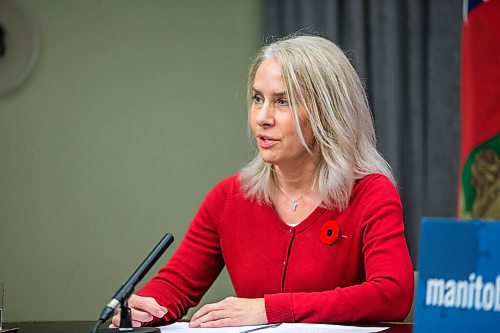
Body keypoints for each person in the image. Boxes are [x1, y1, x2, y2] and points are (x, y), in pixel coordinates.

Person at [111, 34, 414, 328]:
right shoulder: (229, 197)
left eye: (282, 102)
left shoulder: (371, 192)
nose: (262, 117)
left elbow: (392, 294)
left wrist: (269, 309)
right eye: (258, 99)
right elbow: (176, 285)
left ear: (326, 113)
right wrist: (143, 308)